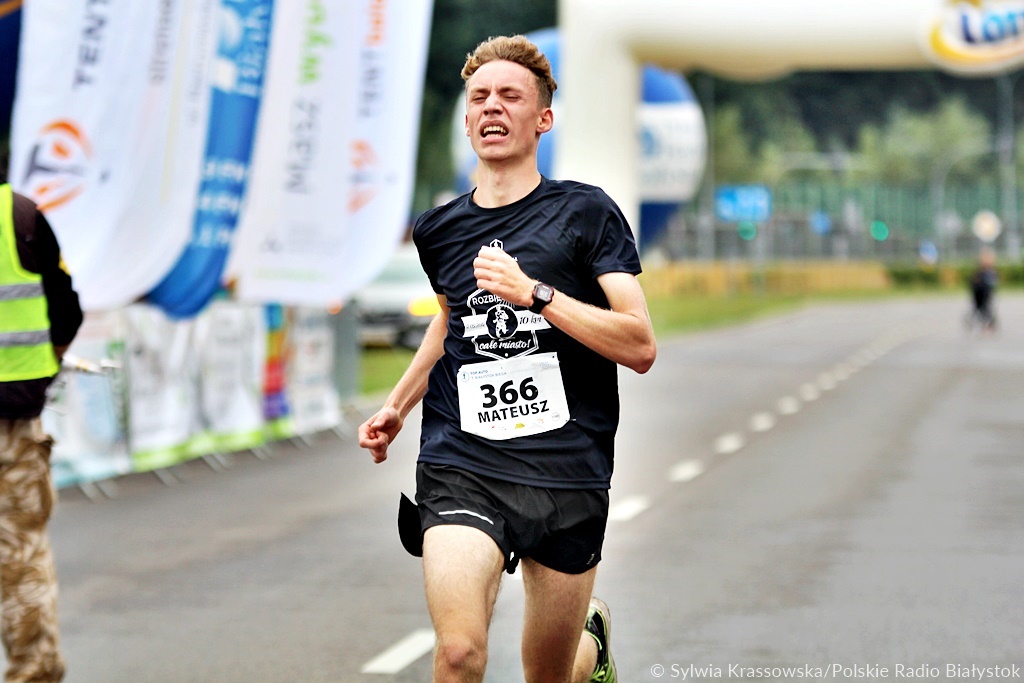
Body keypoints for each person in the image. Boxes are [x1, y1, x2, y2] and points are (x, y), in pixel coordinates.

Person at [358, 35, 656, 683]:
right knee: (459, 652)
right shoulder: (438, 230)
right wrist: (397, 405)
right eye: (480, 97)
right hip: (463, 460)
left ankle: (591, 649)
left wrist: (535, 294)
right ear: (468, 119)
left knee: (548, 674)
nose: (492, 106)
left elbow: (639, 344)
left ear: (543, 118)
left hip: (566, 469)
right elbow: (450, 320)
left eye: (510, 96)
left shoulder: (586, 212)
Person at [0, 167, 83, 683]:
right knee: (22, 554)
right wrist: (42, 370)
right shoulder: (21, 216)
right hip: (10, 425)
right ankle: (33, 672)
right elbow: (67, 312)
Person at [967, 246, 997, 333]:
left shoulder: (990, 272)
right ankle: (978, 324)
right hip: (977, 292)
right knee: (977, 308)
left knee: (986, 308)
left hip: (985, 292)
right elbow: (972, 282)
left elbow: (992, 283)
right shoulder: (978, 271)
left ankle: (988, 325)